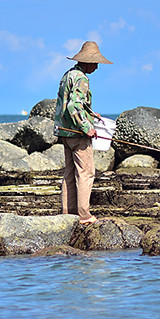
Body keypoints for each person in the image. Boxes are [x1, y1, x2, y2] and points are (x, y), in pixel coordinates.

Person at [53, 41, 112, 224]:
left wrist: (91, 113)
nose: (97, 67)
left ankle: (68, 213)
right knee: (86, 173)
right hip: (78, 134)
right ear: (87, 62)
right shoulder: (82, 79)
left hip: (65, 132)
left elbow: (69, 103)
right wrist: (87, 127)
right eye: (95, 63)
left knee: (69, 173)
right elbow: (74, 105)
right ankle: (84, 215)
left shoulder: (68, 75)